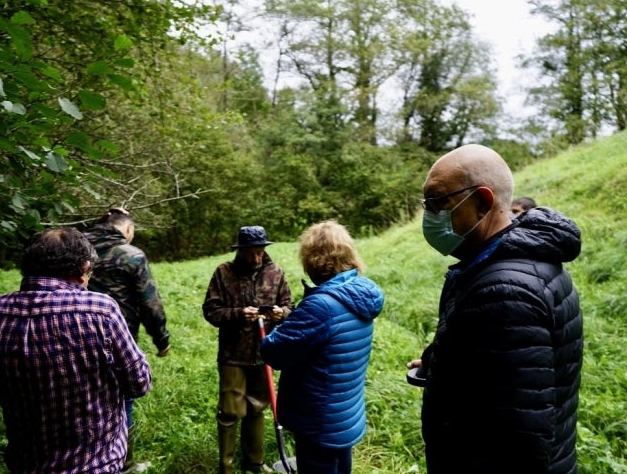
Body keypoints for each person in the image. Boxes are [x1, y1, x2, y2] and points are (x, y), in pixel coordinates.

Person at [409, 144, 583, 474]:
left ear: (482, 203)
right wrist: (442, 361)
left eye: (438, 204)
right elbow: (510, 370)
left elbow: (520, 439)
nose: (429, 217)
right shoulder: (518, 264)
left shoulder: (503, 291)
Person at [0, 227, 152, 474]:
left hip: (26, 463)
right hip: (97, 464)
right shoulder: (101, 310)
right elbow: (139, 383)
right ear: (83, 268)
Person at [261, 220, 385, 474]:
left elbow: (273, 352)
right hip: (344, 412)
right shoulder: (360, 292)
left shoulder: (321, 306)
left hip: (318, 419)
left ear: (312, 259)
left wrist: (277, 326)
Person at [83, 207, 170, 473]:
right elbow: (149, 303)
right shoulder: (130, 255)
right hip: (117, 336)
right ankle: (124, 463)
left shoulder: (77, 248)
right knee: (123, 399)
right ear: (128, 229)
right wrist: (161, 339)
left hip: (68, 331)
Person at [203, 226, 294, 474]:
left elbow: (289, 306)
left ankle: (254, 463)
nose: (256, 258)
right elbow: (211, 311)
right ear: (240, 251)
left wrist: (281, 313)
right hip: (233, 354)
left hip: (265, 352)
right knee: (231, 410)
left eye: (259, 252)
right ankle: (226, 467)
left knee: (257, 407)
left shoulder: (275, 272)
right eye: (250, 253)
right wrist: (238, 314)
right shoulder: (224, 273)